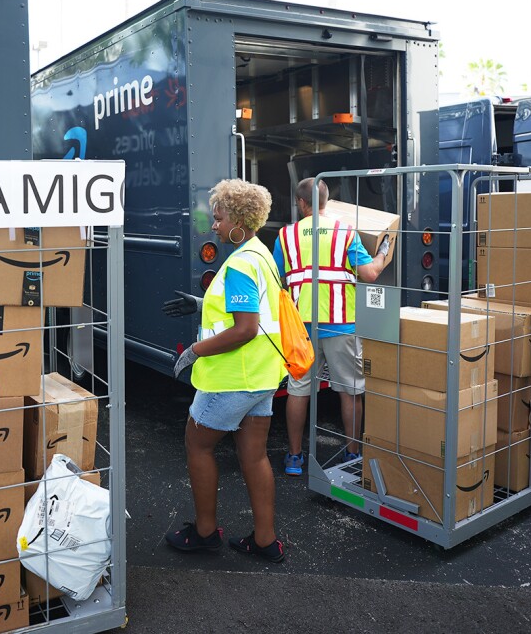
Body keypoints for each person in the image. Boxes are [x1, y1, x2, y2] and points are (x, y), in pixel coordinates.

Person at [160, 179, 286, 562]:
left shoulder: (239, 265)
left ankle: (204, 533)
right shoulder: (259, 254)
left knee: (197, 445)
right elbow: (254, 312)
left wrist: (194, 351)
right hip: (263, 377)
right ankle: (265, 541)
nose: (213, 226)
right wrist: (201, 304)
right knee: (254, 455)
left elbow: (245, 328)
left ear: (239, 220)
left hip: (233, 377)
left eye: (218, 218)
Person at [276, 178, 391, 473]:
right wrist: (383, 252)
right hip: (342, 326)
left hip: (302, 328)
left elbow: (278, 279)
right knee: (350, 391)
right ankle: (352, 454)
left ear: (301, 203)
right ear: (327, 200)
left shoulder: (286, 236)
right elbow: (370, 274)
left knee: (298, 390)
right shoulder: (345, 233)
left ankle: (294, 457)